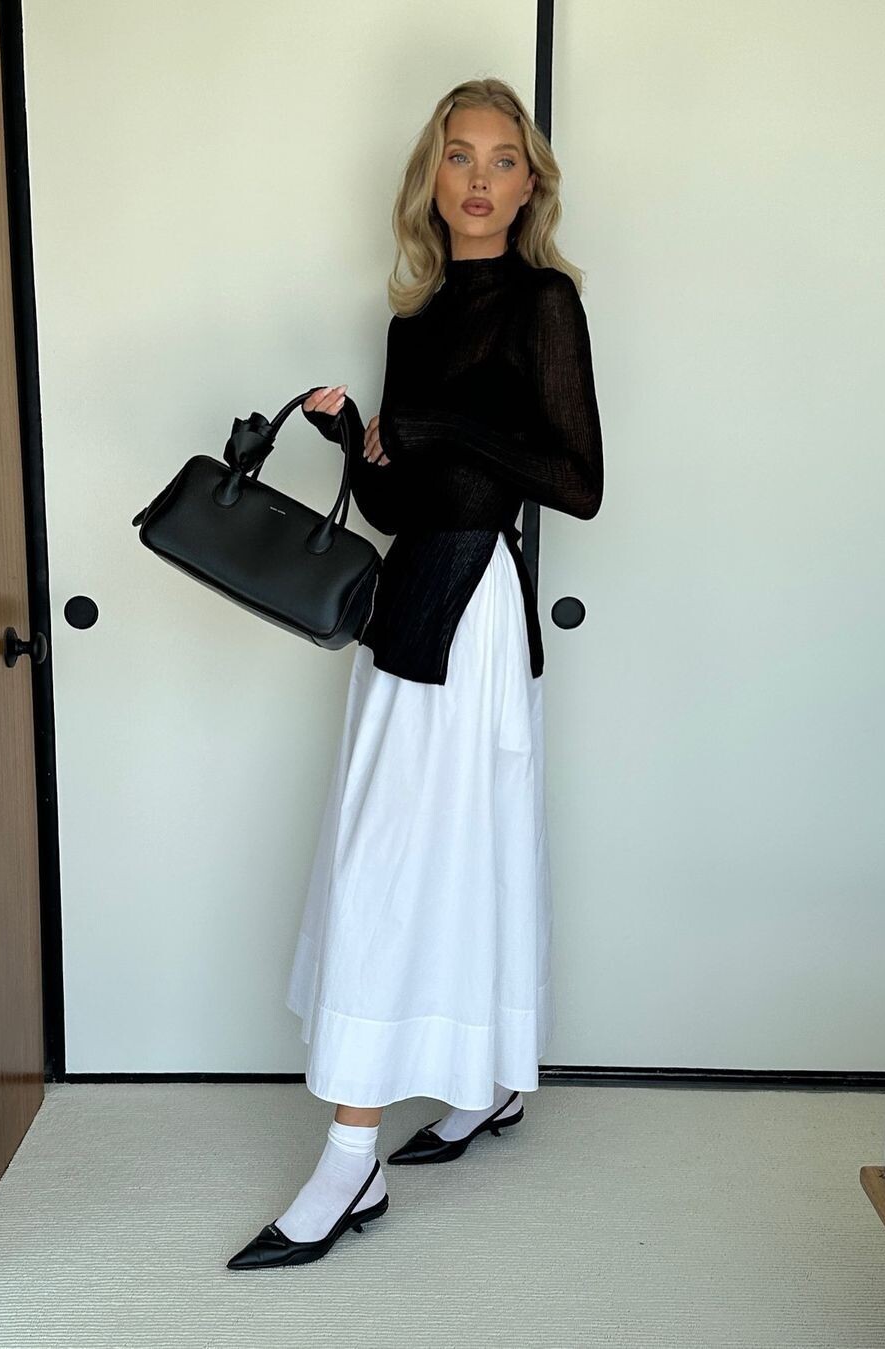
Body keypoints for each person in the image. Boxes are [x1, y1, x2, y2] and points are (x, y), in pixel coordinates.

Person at [227, 76, 603, 1271]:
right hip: (408, 604)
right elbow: (396, 505)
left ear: (529, 186)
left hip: (473, 610)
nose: (480, 179)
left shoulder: (544, 303)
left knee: (418, 853)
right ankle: (483, 1086)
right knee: (404, 851)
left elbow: (579, 480)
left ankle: (353, 1159)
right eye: (459, 155)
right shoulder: (415, 320)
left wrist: (442, 430)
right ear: (430, 179)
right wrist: (358, 440)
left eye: (503, 159)